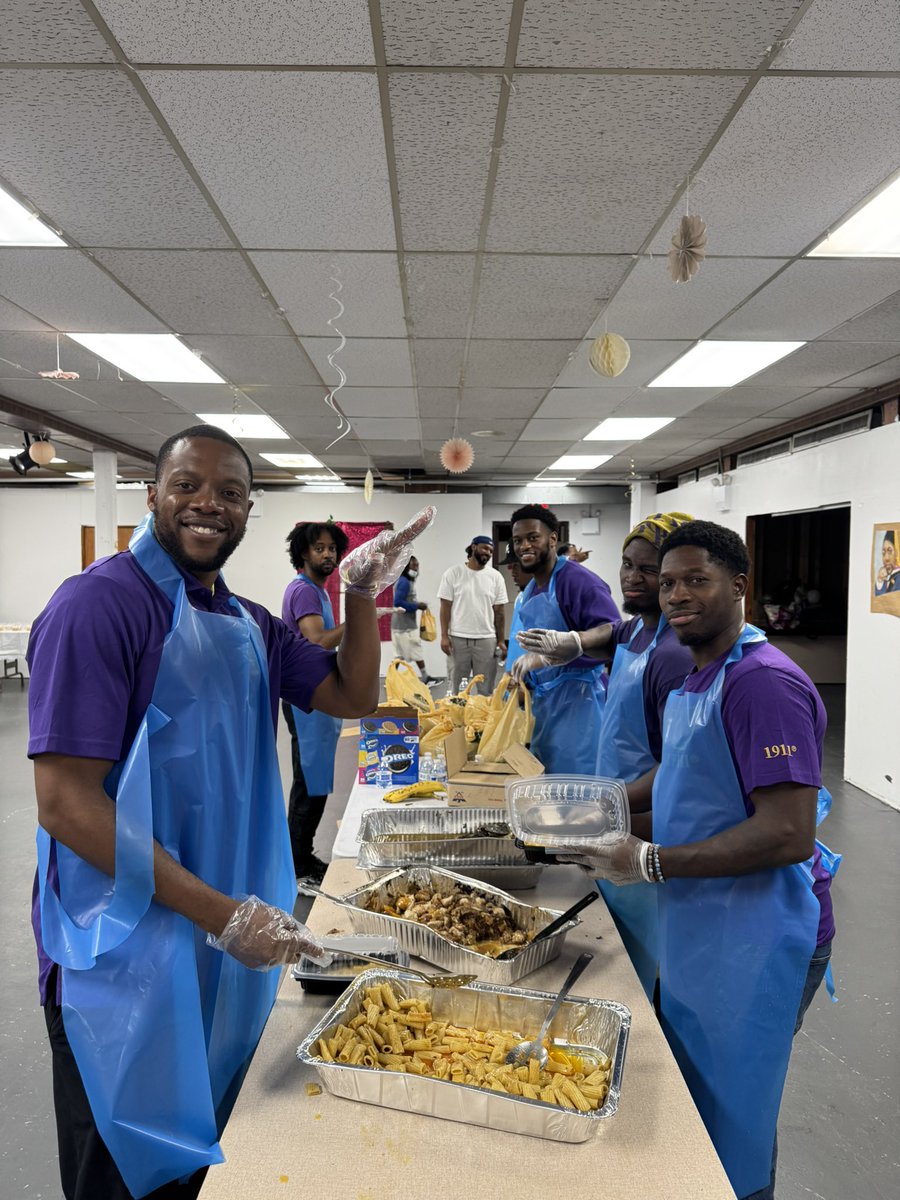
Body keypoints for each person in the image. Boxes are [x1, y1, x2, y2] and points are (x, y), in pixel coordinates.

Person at [27, 424, 432, 1200]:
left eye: (231, 493)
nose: (209, 505)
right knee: (120, 1170)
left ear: (250, 510)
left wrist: (359, 595)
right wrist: (221, 915)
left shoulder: (249, 623)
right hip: (124, 952)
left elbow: (353, 696)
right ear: (152, 495)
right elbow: (66, 804)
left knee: (204, 1153)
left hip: (221, 934)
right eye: (187, 486)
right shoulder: (99, 608)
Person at [551, 520, 838, 1200]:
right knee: (696, 1099)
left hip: (758, 933)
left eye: (696, 581)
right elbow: (681, 778)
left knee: (735, 1112)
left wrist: (647, 861)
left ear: (740, 587)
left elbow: (788, 832)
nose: (677, 594)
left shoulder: (762, 685)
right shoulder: (702, 674)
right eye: (670, 581)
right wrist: (596, 814)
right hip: (704, 922)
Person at [516, 512, 695, 997]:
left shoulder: (673, 657)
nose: (632, 577)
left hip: (644, 814)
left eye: (650, 569)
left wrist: (602, 810)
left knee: (641, 944)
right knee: (615, 929)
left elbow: (677, 772)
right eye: (627, 564)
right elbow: (611, 632)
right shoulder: (637, 632)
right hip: (615, 796)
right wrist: (571, 642)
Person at [507, 504, 618, 773]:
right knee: (549, 781)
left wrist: (552, 656)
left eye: (533, 537)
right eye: (518, 540)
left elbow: (615, 639)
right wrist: (526, 676)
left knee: (579, 785)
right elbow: (536, 645)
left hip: (582, 703)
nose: (524, 546)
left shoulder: (579, 582)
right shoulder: (532, 590)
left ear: (552, 539)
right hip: (548, 703)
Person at [281, 520, 350, 886]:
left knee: (316, 781)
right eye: (319, 548)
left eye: (332, 549)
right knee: (308, 784)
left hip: (316, 697)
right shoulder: (304, 591)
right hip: (304, 699)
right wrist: (356, 619)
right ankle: (297, 866)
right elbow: (318, 641)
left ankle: (303, 857)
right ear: (303, 553)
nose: (328, 555)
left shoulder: (318, 591)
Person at [437, 535, 508, 694]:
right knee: (456, 687)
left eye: (491, 551)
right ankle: (456, 717)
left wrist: (501, 640)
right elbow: (445, 607)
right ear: (473, 547)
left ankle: (483, 717)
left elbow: (499, 612)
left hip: (486, 639)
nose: (488, 553)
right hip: (457, 638)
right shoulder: (453, 573)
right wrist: (444, 635)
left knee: (486, 687)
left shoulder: (495, 577)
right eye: (485, 548)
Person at [391, 556, 440, 684]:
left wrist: (416, 603)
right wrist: (417, 606)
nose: (417, 568)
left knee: (399, 654)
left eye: (417, 565)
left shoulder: (404, 581)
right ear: (406, 567)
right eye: (414, 566)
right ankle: (425, 677)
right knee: (416, 649)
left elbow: (404, 600)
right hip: (405, 626)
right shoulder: (404, 582)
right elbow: (397, 602)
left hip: (399, 624)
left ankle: (392, 678)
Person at [875, 529, 899, 594]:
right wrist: (880, 581)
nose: (886, 558)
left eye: (890, 551)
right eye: (883, 553)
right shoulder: (885, 578)